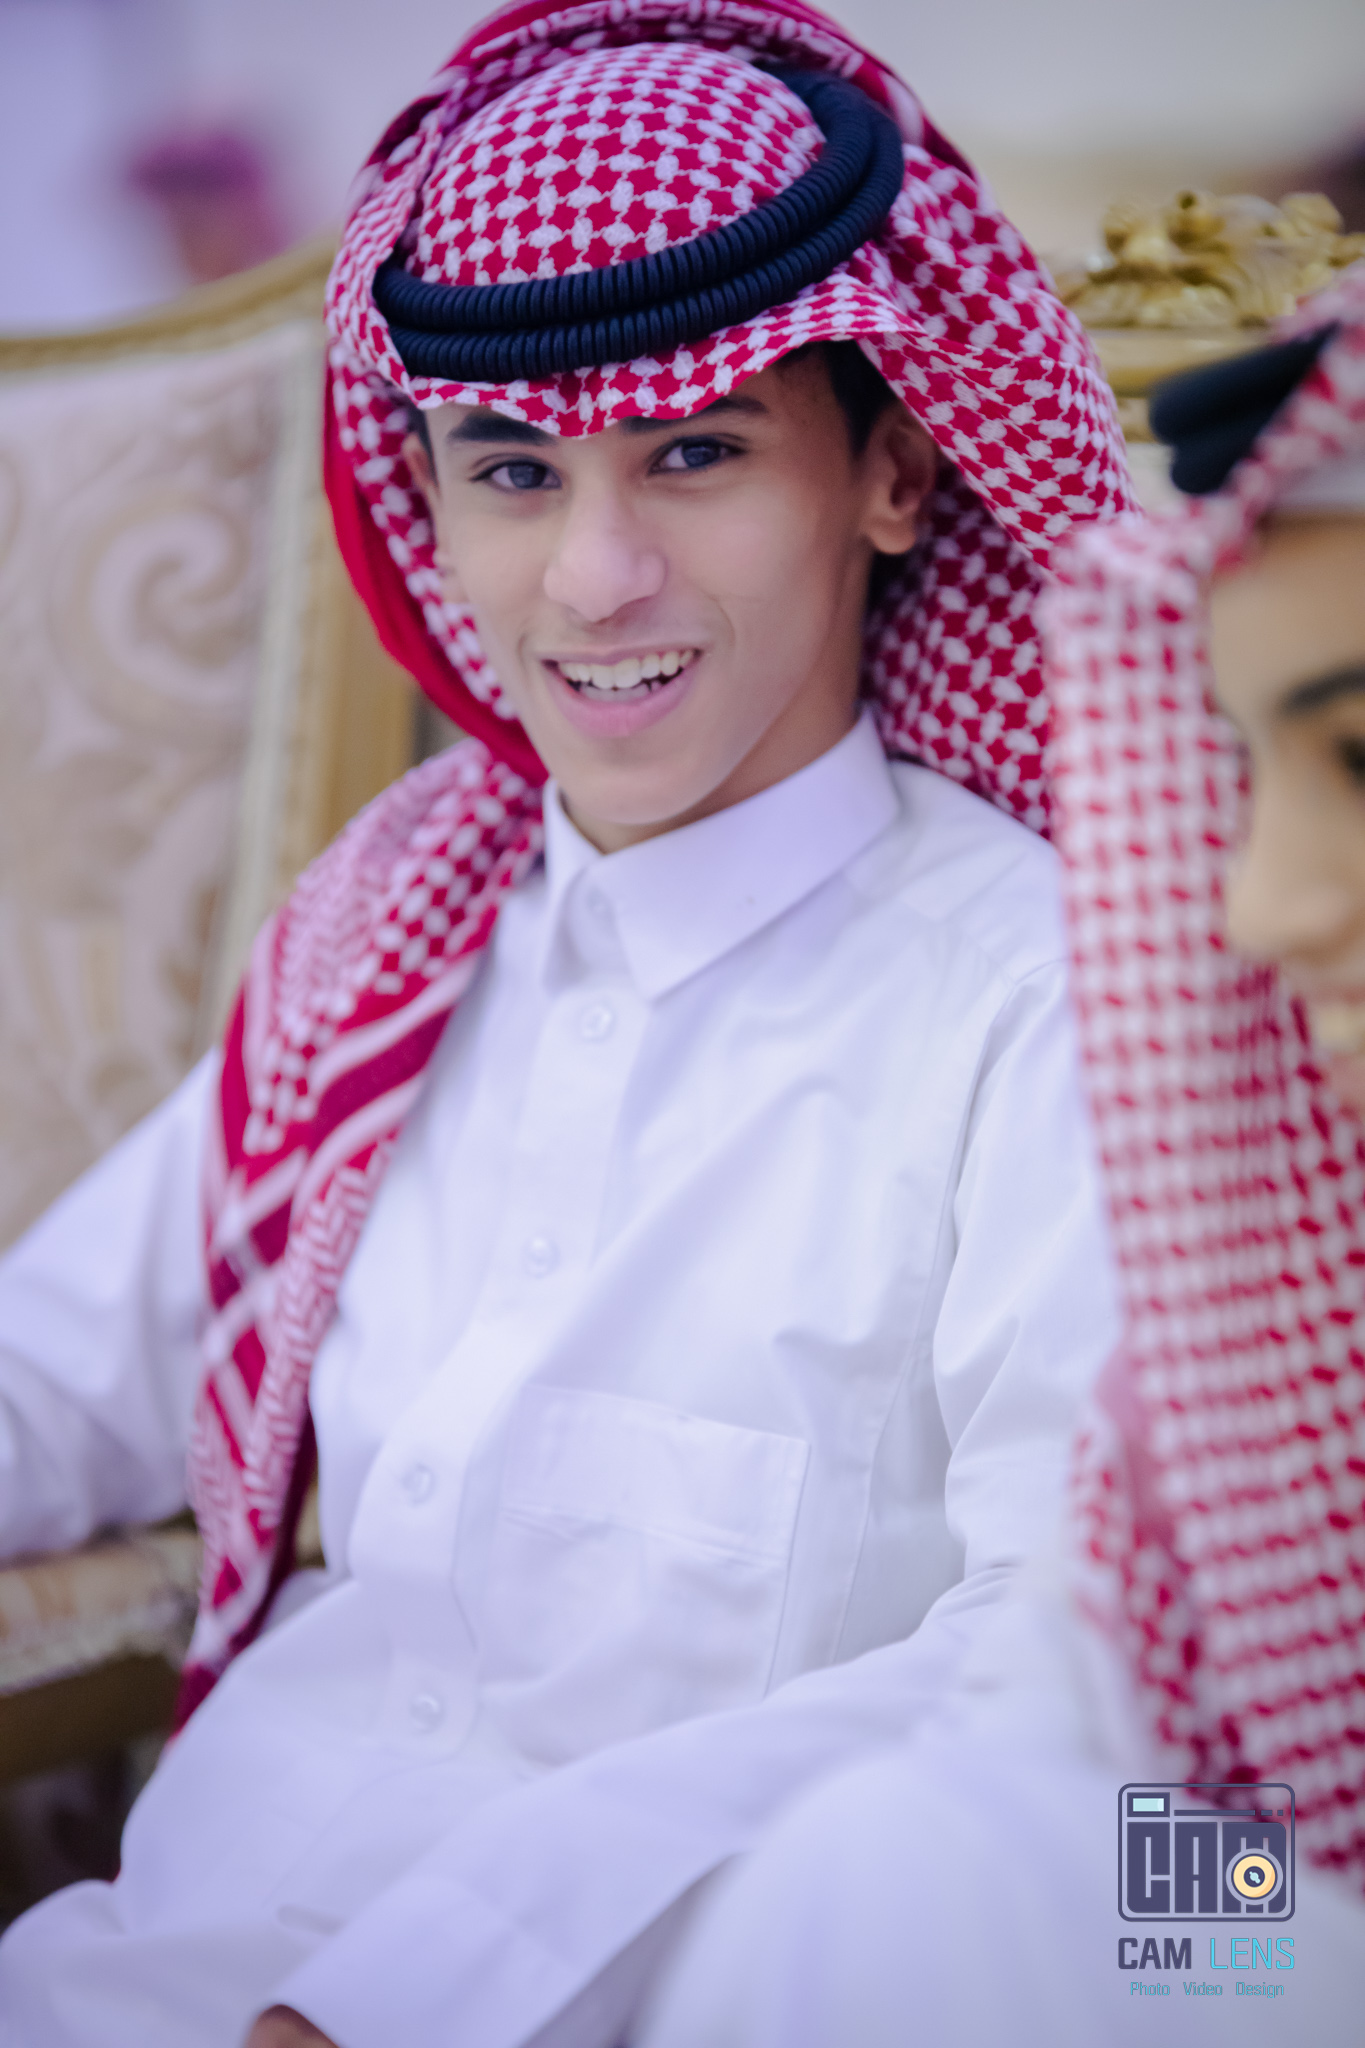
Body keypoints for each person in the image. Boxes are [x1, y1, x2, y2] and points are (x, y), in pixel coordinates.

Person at [0, 2, 1133, 2043]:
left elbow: (1072, 1677)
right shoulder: (391, 938)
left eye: (694, 453)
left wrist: (433, 1980)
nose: (595, 576)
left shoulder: (1045, 999)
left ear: (888, 472)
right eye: (514, 471)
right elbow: (54, 1383)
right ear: (428, 507)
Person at [638, 271, 1365, 2048]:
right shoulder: (1270, 1345)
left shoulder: (998, 970)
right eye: (1242, 767)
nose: (1261, 908)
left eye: (1358, 759)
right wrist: (1183, 1948)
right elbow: (1089, 1762)